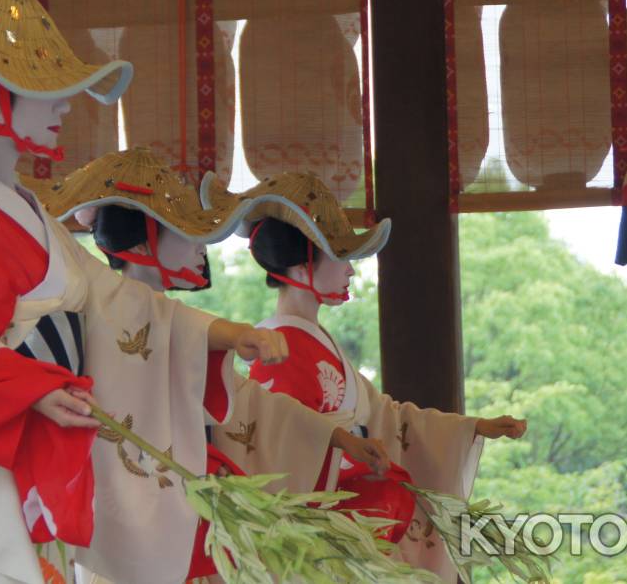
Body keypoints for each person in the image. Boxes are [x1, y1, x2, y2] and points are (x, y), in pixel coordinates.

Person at [0, 0, 288, 584]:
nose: (65, 105)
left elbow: (116, 299)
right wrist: (30, 389)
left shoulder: (19, 206)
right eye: (45, 89)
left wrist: (221, 332)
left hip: (32, 443)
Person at [27, 148, 392, 582]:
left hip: (179, 516)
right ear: (144, 241)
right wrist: (237, 334)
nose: (201, 246)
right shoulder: (106, 317)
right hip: (124, 520)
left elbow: (250, 402)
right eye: (185, 231)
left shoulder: (171, 326)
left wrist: (332, 436)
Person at [202, 172, 528, 579]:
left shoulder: (314, 339)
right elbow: (283, 453)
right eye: (340, 257)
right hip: (330, 543)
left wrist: (471, 426)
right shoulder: (279, 346)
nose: (351, 272)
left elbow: (385, 416)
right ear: (304, 260)